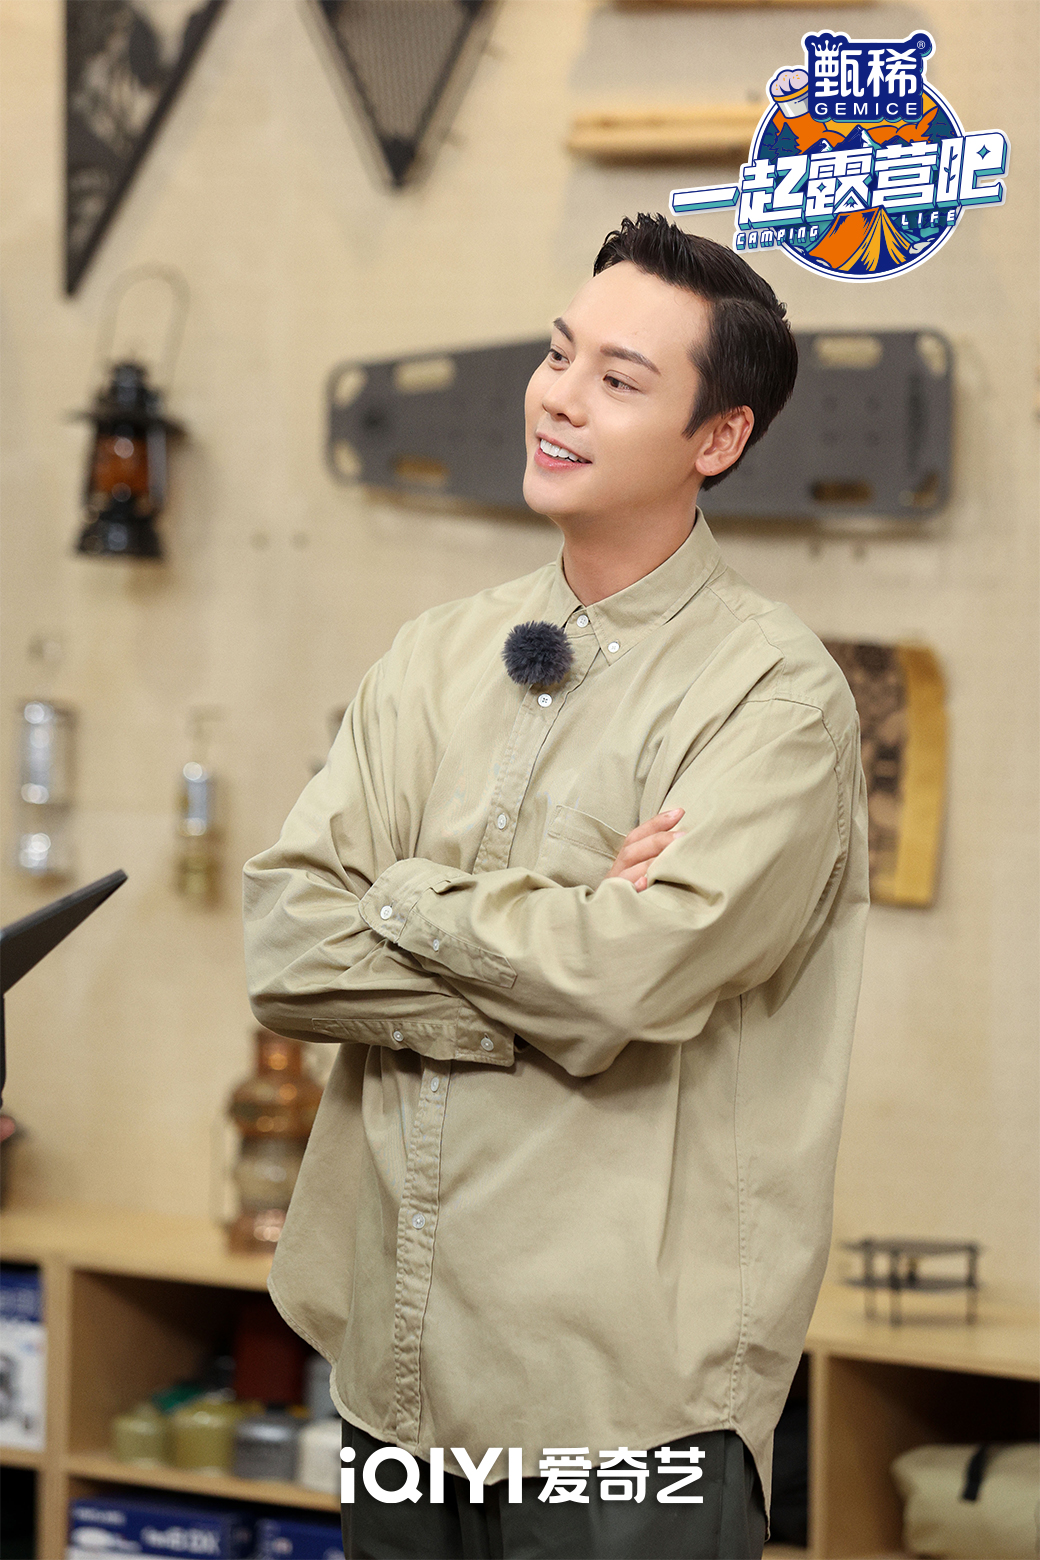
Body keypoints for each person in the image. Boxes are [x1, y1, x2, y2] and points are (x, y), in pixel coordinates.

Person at [242, 213, 869, 1560]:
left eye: (618, 379)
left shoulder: (773, 697)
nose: (559, 397)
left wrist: (404, 896)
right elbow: (288, 945)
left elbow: (628, 977)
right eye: (557, 353)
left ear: (719, 438)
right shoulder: (432, 657)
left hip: (622, 1419)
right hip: (398, 1383)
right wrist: (562, 951)